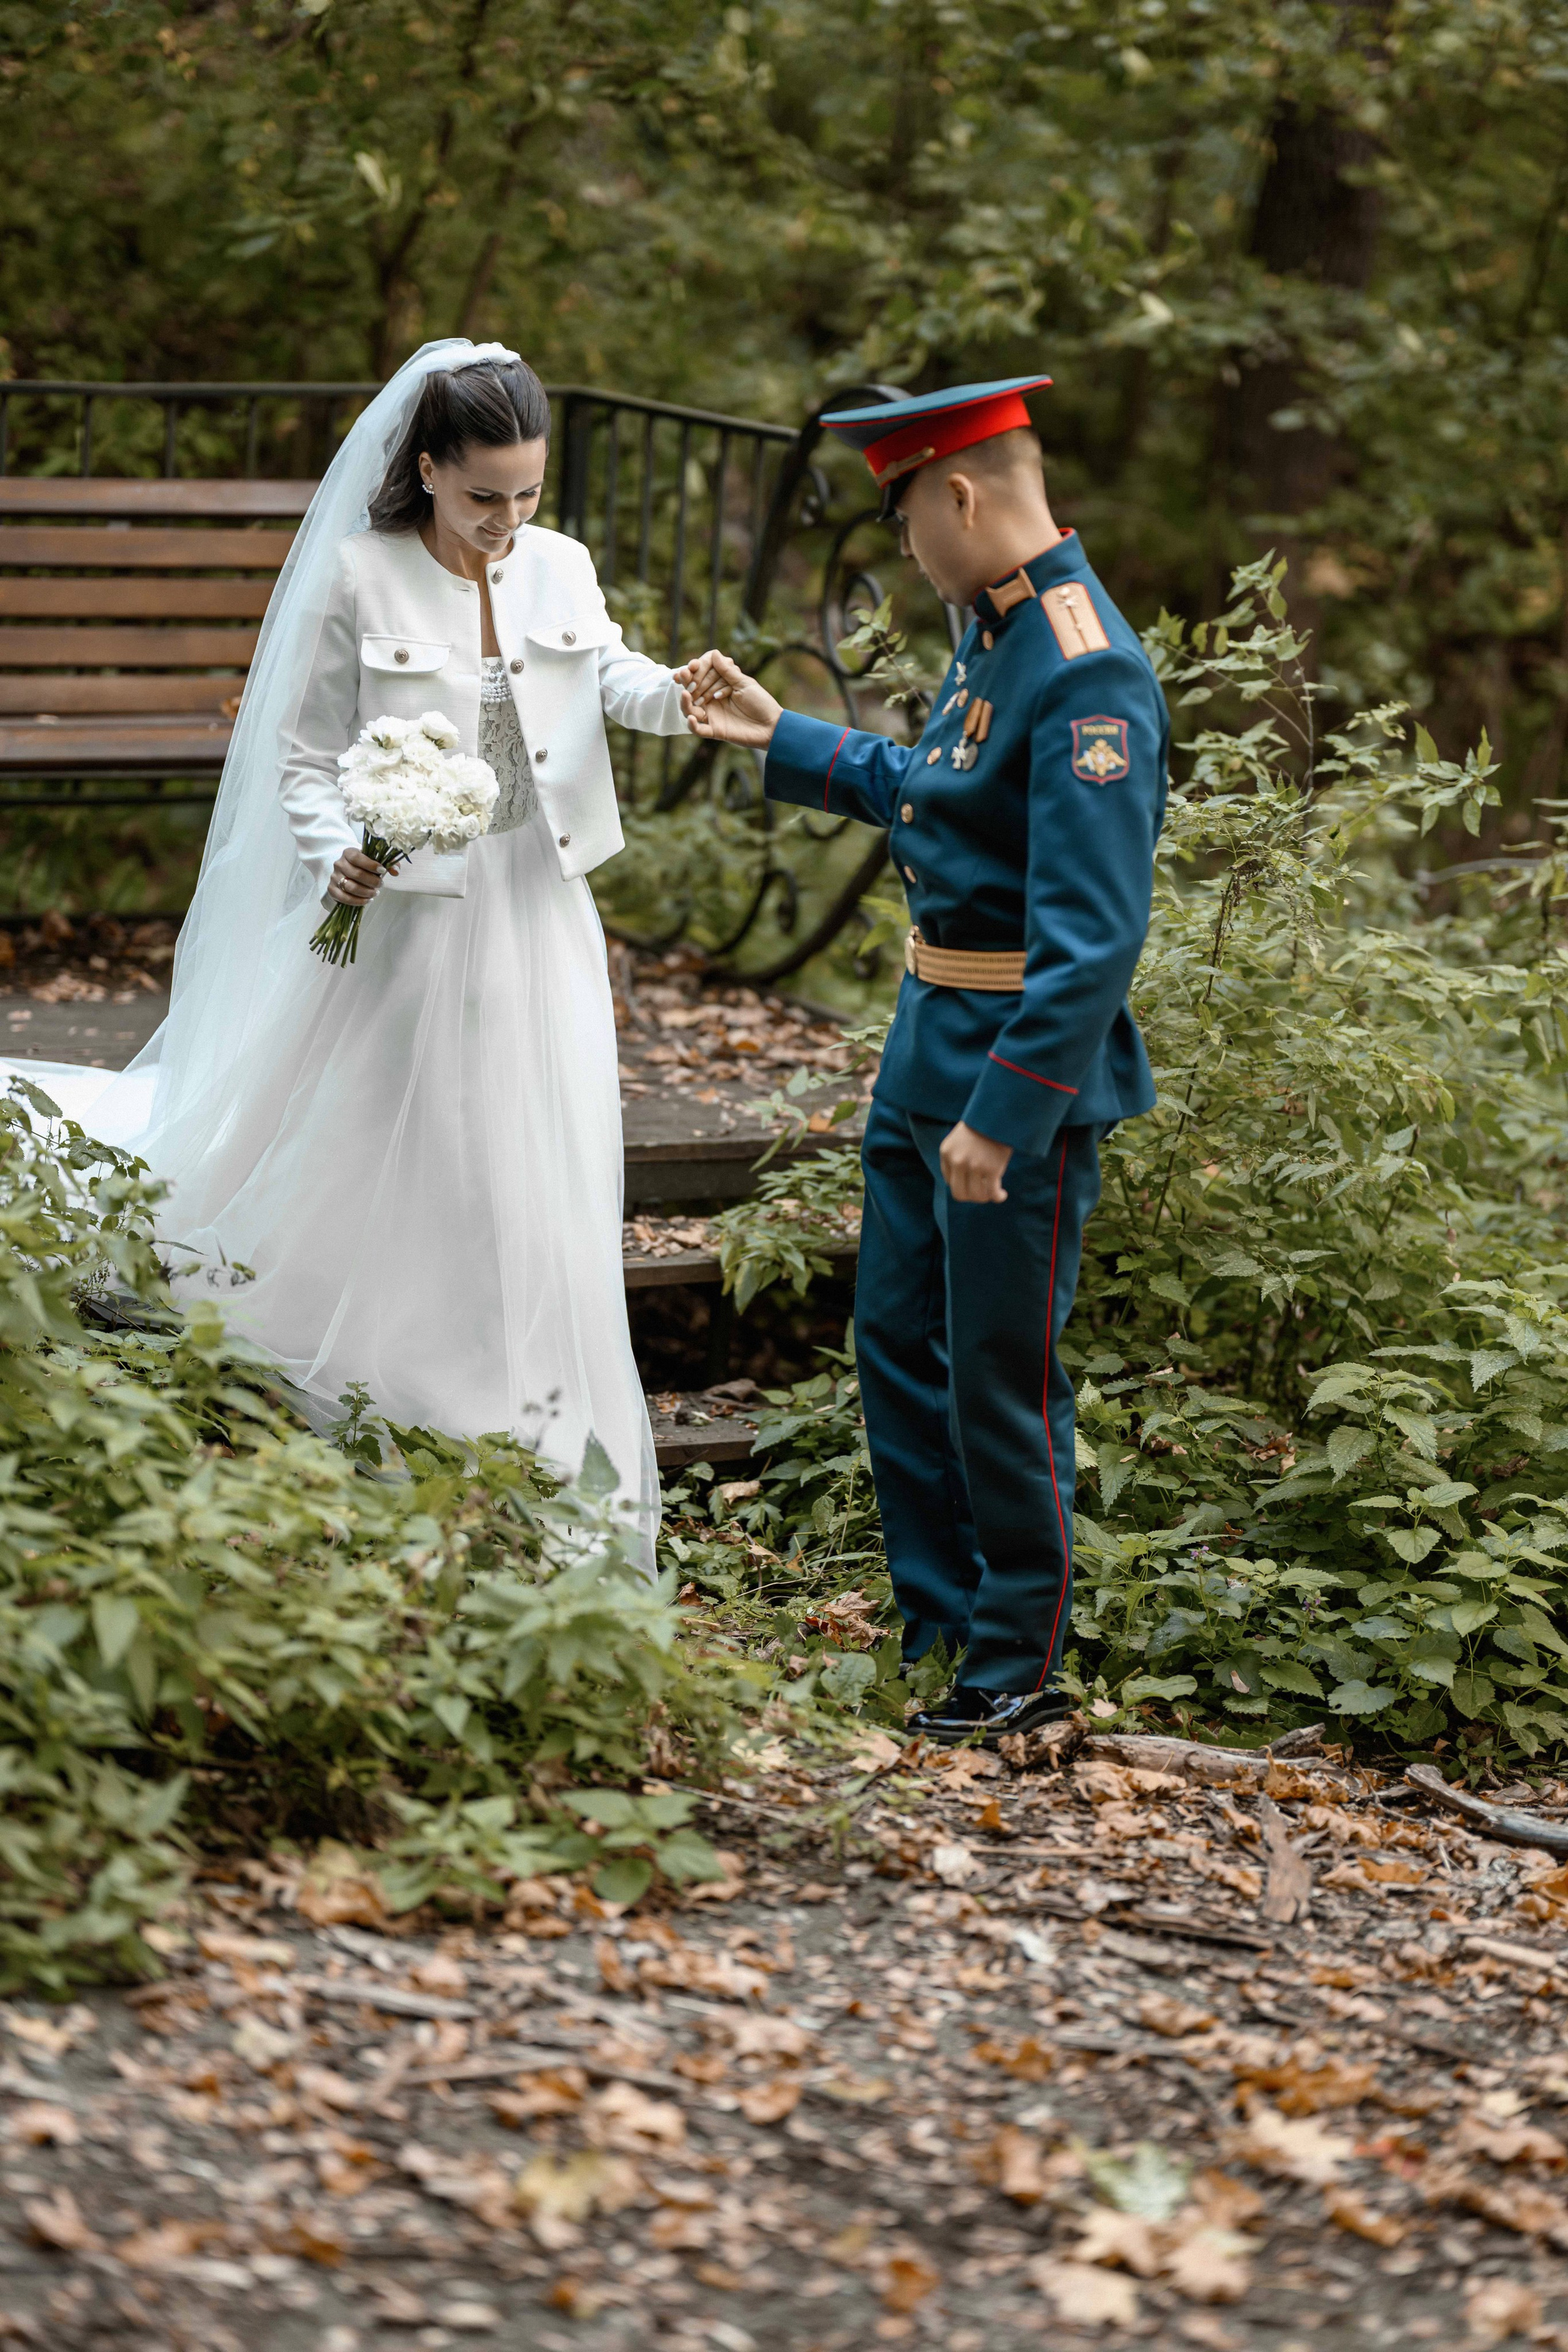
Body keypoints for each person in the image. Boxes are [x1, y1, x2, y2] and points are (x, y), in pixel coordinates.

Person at [7, 341, 694, 1556]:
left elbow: (610, 677)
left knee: (533, 1134)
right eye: (484, 494)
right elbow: (305, 758)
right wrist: (338, 850)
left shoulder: (561, 567)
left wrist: (686, 694)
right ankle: (401, 1358)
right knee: (419, 1123)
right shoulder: (357, 576)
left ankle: (517, 1376)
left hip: (537, 902)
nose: (507, 520)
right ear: (427, 468)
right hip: (412, 919)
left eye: (529, 494)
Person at [678, 376, 1168, 1740]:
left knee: (996, 1368)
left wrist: (1004, 1116)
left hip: (1008, 1072)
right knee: (894, 1340)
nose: (903, 552)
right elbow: (936, 789)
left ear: (958, 495)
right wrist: (785, 735)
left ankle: (1013, 1663)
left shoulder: (1084, 667)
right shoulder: (995, 631)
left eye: (903, 522)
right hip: (922, 1048)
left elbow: (1091, 942)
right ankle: (934, 1625)